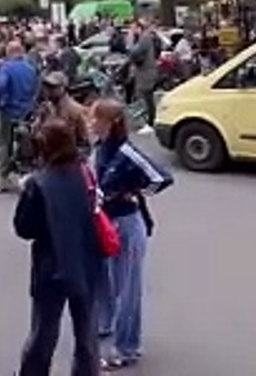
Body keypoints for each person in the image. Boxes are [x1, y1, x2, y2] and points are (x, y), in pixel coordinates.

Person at [13, 118, 103, 376]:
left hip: (51, 267)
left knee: (44, 332)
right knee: (86, 334)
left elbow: (24, 228)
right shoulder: (85, 172)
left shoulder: (38, 184)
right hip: (86, 262)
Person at [89, 98, 173, 370]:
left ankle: (127, 348)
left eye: (95, 119)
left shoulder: (128, 152)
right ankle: (105, 323)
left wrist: (135, 192)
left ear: (110, 123)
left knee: (128, 288)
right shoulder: (101, 148)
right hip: (105, 222)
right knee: (103, 277)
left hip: (126, 223)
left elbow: (161, 178)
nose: (91, 124)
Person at [0, 40, 39, 193]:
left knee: (2, 142)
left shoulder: (6, 68)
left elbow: (1, 86)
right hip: (26, 110)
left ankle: (2, 179)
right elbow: (36, 88)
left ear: (10, 52)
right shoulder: (30, 68)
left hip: (8, 110)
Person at [128, 22, 160, 127]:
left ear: (139, 28)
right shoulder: (145, 38)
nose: (131, 31)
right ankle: (151, 119)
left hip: (146, 72)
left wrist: (130, 40)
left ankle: (151, 121)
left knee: (146, 97)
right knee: (147, 97)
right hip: (145, 71)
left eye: (133, 29)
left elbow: (134, 52)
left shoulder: (144, 38)